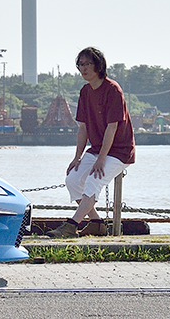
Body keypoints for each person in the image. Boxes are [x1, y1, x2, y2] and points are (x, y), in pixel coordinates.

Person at [48, 46, 136, 238]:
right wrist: (77, 157)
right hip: (96, 149)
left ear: (98, 65)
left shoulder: (113, 90)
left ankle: (71, 226)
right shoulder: (85, 92)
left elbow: (112, 127)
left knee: (93, 181)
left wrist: (102, 159)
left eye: (88, 63)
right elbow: (83, 128)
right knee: (72, 179)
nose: (83, 68)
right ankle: (96, 222)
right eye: (80, 64)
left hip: (119, 151)